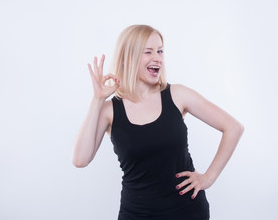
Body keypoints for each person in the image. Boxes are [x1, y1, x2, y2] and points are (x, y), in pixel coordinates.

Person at [72, 24, 244, 219]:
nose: (157, 58)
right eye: (148, 52)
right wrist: (97, 100)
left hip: (187, 211)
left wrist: (208, 177)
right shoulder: (108, 110)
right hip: (136, 214)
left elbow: (233, 127)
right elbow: (80, 160)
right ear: (128, 57)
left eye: (160, 51)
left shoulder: (178, 95)